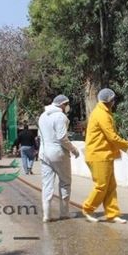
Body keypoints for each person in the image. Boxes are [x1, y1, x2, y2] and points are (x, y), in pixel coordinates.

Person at [81, 88, 128, 224]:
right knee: (101, 185)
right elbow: (112, 136)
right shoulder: (101, 114)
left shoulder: (105, 112)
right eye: (113, 99)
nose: (114, 102)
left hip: (104, 154)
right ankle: (88, 209)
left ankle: (112, 214)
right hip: (98, 155)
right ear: (109, 100)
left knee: (110, 186)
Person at [38, 94, 80, 223]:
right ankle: (64, 213)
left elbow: (40, 135)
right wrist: (73, 149)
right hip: (58, 153)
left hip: (44, 153)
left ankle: (47, 215)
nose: (68, 107)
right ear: (62, 104)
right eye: (67, 104)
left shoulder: (43, 116)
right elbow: (62, 137)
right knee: (65, 182)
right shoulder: (60, 116)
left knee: (47, 184)